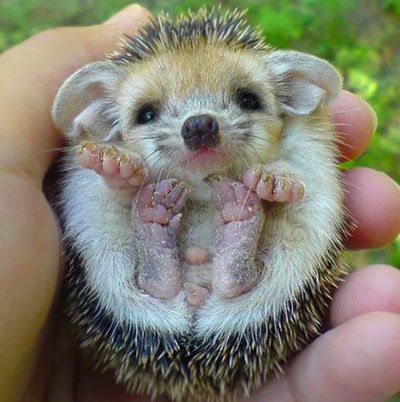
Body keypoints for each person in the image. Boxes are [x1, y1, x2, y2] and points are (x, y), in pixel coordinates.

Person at [0, 4, 399, 402]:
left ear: (291, 93)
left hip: (211, 304)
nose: (200, 125)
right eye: (150, 113)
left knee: (296, 196)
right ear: (103, 114)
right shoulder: (117, 147)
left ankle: (163, 267)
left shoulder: (290, 140)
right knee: (100, 187)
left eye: (245, 100)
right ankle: (233, 263)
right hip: (184, 302)